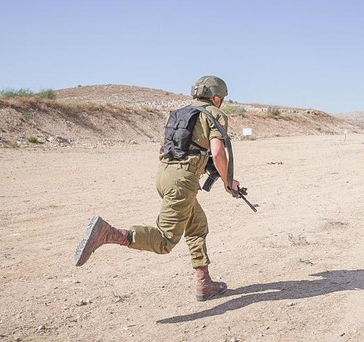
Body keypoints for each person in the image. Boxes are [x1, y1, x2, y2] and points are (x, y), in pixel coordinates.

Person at [73, 75, 240, 301]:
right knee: (165, 241)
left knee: (197, 225)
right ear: (217, 97)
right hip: (182, 181)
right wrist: (229, 182)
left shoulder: (181, 113)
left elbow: (164, 149)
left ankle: (205, 283)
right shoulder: (215, 114)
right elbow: (218, 153)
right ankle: (109, 233)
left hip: (165, 176)